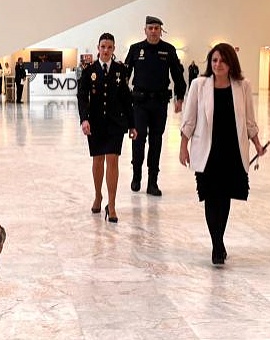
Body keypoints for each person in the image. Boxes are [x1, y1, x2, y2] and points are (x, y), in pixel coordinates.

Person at [179, 43, 265, 265]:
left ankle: (219, 242)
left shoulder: (242, 85)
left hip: (232, 150)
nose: (218, 64)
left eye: (223, 61)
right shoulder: (199, 85)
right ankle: (217, 245)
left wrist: (257, 143)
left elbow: (249, 119)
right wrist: (183, 146)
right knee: (211, 196)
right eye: (214, 60)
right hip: (207, 150)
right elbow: (189, 118)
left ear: (231, 63)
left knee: (224, 197)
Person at [77, 33, 137, 223]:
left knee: (112, 161)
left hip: (115, 123)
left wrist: (132, 124)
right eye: (103, 47)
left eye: (109, 47)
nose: (106, 50)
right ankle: (98, 195)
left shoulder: (121, 70)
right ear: (98, 47)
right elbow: (82, 96)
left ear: (113, 49)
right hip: (95, 123)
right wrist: (84, 119)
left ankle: (111, 204)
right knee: (97, 161)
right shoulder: (89, 70)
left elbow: (126, 99)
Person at [124, 15, 187, 196]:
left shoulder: (168, 50)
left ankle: (153, 182)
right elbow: (125, 75)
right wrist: (122, 99)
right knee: (138, 139)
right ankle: (136, 177)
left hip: (159, 103)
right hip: (140, 103)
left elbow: (177, 74)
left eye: (156, 28)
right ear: (145, 30)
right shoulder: (136, 49)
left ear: (161, 31)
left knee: (156, 141)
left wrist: (179, 97)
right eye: (150, 28)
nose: (153, 31)